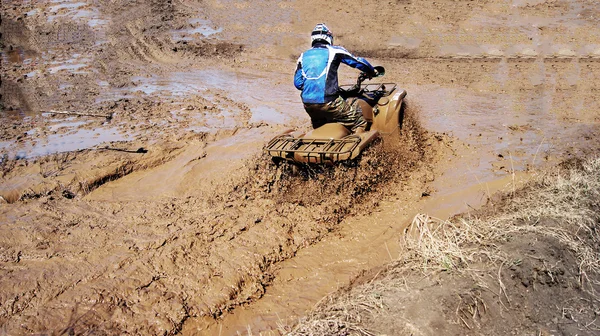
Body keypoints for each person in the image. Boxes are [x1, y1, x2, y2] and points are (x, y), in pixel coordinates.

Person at [294, 23, 377, 132]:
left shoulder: (302, 56)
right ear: (329, 37)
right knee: (359, 121)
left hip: (308, 105)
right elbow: (357, 62)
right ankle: (362, 143)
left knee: (319, 128)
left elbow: (298, 83)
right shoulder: (334, 51)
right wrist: (372, 71)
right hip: (329, 102)